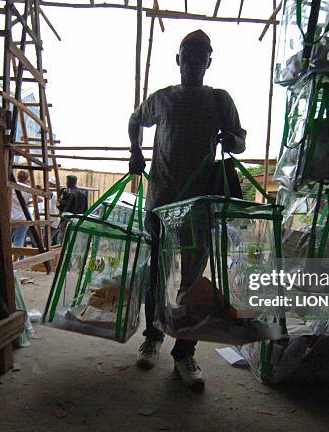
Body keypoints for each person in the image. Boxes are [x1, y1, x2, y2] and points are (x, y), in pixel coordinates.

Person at [128, 29, 246, 390]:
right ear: (178, 60)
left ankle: (185, 353)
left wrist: (231, 140)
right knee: (156, 275)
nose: (194, 62)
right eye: (188, 55)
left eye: (201, 57)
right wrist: (135, 150)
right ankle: (153, 337)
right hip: (161, 200)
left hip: (198, 207)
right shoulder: (161, 99)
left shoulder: (219, 100)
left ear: (208, 62)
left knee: (192, 282)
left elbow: (240, 141)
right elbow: (135, 120)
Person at [11, 170, 32, 248]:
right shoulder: (28, 188)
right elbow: (40, 199)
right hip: (23, 217)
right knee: (19, 240)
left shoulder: (11, 186)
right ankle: (20, 259)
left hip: (11, 216)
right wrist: (28, 203)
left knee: (7, 240)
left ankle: (7, 257)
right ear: (27, 178)